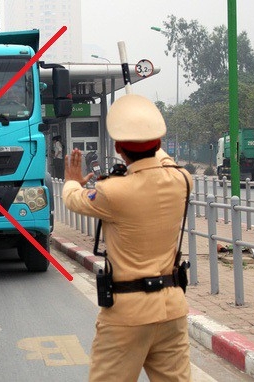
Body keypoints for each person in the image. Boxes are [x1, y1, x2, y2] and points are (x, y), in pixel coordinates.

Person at [62, 94, 192, 381]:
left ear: (119, 149)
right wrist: (143, 126)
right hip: (172, 307)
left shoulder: (114, 192)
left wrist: (72, 178)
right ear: (158, 142)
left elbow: (72, 199)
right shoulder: (182, 180)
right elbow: (163, 160)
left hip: (129, 313)